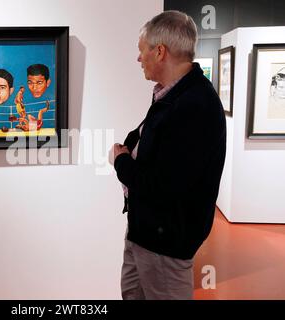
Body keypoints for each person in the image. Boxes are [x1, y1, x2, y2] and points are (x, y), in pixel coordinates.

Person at [110, 10, 226, 300]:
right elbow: (148, 143)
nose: (139, 59)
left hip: (165, 244)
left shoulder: (193, 106)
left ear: (159, 51)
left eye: (141, 51)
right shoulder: (172, 96)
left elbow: (163, 187)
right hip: (147, 232)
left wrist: (121, 162)